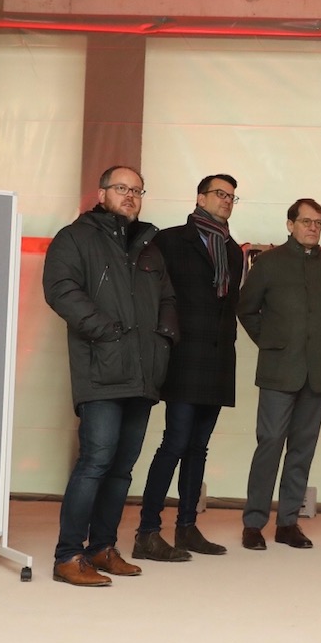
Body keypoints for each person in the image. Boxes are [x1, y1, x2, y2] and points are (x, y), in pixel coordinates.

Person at [42, 165, 178, 587]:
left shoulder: (149, 246)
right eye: (121, 188)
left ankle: (102, 547)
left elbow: (168, 300)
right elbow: (60, 289)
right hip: (101, 369)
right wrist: (108, 331)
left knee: (122, 468)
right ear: (101, 194)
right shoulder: (74, 238)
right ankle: (68, 555)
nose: (130, 196)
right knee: (96, 461)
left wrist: (163, 339)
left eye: (137, 190)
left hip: (142, 372)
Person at [135, 174, 244, 562]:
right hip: (183, 358)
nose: (226, 200)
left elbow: (230, 307)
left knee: (199, 446)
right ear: (200, 198)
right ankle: (147, 532)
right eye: (220, 194)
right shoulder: (169, 241)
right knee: (175, 443)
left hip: (217, 360)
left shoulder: (233, 250)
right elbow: (153, 296)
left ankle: (186, 527)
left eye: (232, 196)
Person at [236, 198, 321, 550]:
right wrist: (271, 343)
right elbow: (246, 309)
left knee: (302, 448)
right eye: (306, 221)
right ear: (290, 225)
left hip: (318, 370)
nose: (313, 228)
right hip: (278, 370)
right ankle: (254, 523)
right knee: (269, 443)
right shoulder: (268, 263)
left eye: (318, 223)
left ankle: (287, 523)